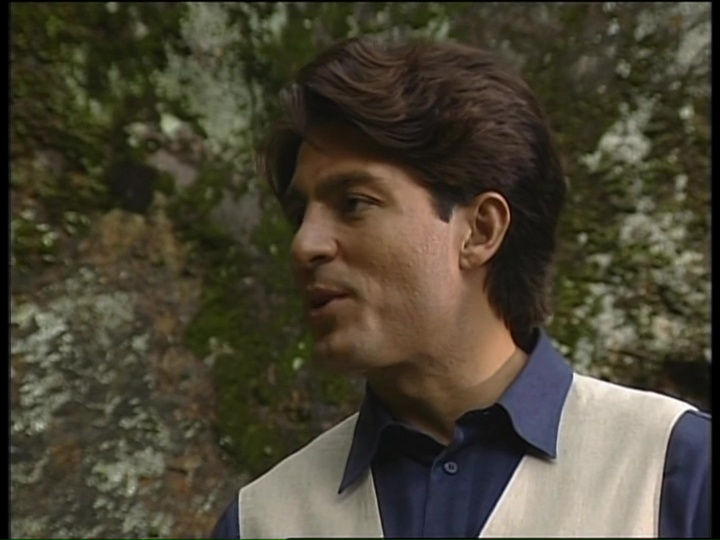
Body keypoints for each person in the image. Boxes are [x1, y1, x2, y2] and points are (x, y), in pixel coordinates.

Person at [211, 36, 710, 538]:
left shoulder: (675, 472)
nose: (304, 245)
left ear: (480, 231)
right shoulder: (261, 522)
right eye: (300, 214)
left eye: (354, 203)